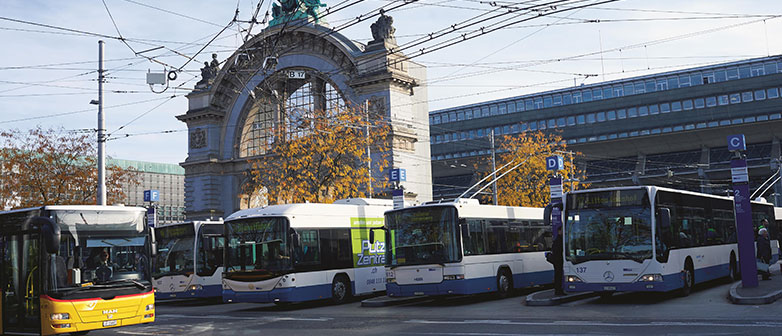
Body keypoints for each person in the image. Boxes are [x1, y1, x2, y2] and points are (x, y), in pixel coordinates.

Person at [551, 226, 565, 295]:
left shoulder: (558, 239)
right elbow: (558, 251)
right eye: (562, 230)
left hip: (557, 261)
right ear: (559, 231)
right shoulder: (559, 240)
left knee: (558, 276)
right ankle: (558, 290)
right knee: (558, 276)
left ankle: (558, 290)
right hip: (558, 261)